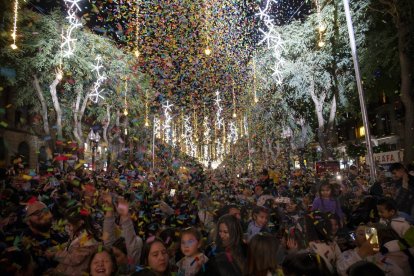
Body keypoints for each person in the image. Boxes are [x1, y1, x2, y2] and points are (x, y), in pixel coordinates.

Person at [48, 205, 101, 275]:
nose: (68, 228)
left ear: (80, 222)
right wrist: (59, 248)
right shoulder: (80, 232)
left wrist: (55, 255)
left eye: (69, 225)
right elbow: (72, 244)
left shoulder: (88, 240)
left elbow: (73, 259)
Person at [20, 199, 67, 275]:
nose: (43, 214)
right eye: (37, 213)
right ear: (27, 221)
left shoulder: (54, 227)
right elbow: (47, 269)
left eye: (45, 210)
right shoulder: (26, 240)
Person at [336, 224, 403, 276]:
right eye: (361, 234)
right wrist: (362, 252)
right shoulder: (346, 255)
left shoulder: (383, 256)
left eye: (370, 234)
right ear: (355, 240)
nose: (366, 237)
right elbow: (341, 271)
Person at [102, 192, 143, 275]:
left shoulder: (131, 267)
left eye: (117, 256)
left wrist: (125, 218)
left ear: (128, 257)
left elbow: (132, 247)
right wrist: (109, 209)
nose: (112, 258)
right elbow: (107, 241)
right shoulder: (110, 269)